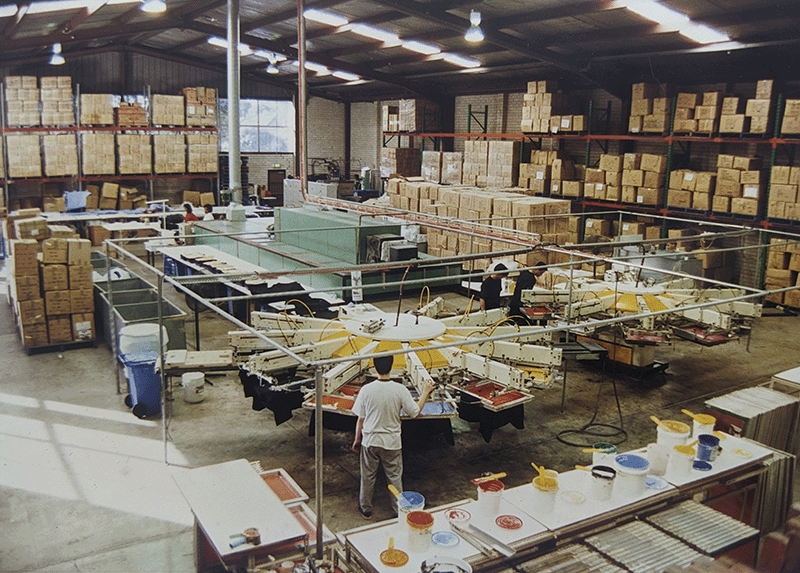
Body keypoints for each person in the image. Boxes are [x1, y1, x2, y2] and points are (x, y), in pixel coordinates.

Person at [351, 355, 435, 519]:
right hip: (392, 442)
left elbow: (360, 418)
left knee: (367, 476)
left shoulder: (366, 390)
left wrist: (357, 439)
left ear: (374, 368)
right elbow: (414, 413)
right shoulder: (400, 390)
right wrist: (425, 392)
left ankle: (365, 508)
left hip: (370, 440)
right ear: (392, 367)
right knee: (394, 477)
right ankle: (398, 510)